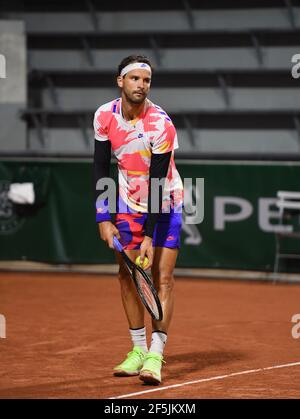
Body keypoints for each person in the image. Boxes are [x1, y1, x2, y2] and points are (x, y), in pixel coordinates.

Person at [93, 55, 183, 385]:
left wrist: (148, 234)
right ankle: (137, 350)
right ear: (121, 82)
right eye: (134, 79)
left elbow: (159, 180)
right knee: (127, 274)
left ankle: (155, 356)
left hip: (166, 202)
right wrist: (104, 217)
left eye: (146, 80)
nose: (141, 85)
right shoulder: (104, 116)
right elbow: (100, 167)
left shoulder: (161, 124)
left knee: (162, 277)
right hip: (128, 202)